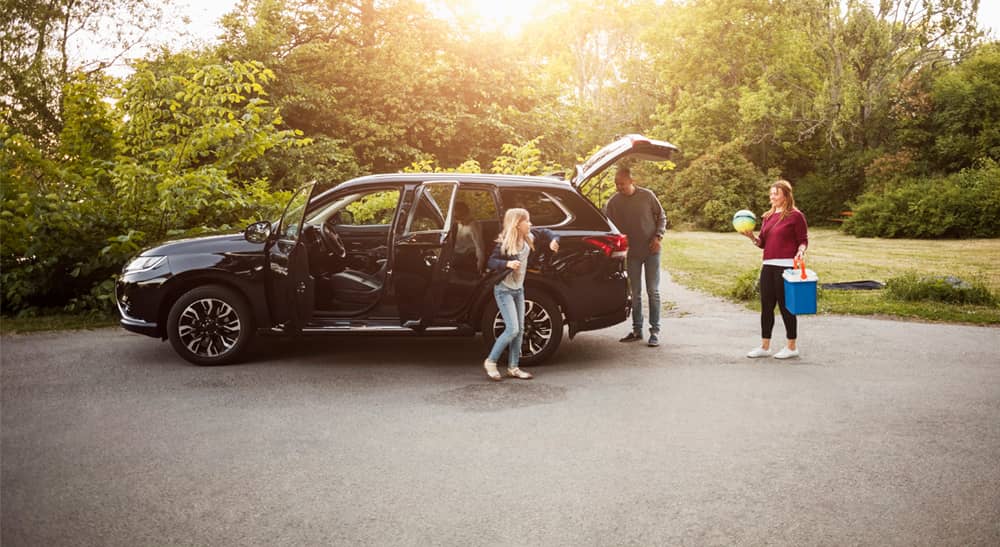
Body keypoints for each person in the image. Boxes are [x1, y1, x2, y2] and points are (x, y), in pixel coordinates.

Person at [482, 208, 560, 381]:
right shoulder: (504, 243)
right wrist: (508, 264)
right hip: (504, 291)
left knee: (521, 330)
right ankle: (491, 361)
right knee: (512, 329)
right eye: (527, 221)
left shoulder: (529, 237)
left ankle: (513, 367)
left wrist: (554, 240)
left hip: (519, 290)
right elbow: (491, 262)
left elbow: (547, 232)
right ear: (517, 224)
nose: (531, 224)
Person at [740, 179, 809, 359]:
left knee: (787, 308)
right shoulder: (768, 217)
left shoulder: (796, 215)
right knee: (766, 307)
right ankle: (765, 346)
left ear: (785, 196)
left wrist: (801, 252)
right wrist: (752, 237)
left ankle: (792, 347)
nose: (772, 197)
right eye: (771, 194)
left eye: (776, 194)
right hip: (768, 266)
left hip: (786, 267)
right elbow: (762, 242)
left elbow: (803, 240)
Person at [604, 166, 667, 347]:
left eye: (622, 184)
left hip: (651, 251)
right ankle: (637, 330)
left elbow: (662, 217)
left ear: (632, 181)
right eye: (617, 184)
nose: (619, 187)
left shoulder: (647, 196)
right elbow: (609, 226)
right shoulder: (614, 202)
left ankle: (654, 331)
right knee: (635, 294)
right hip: (631, 254)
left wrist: (658, 237)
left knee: (653, 292)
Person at [453, 201, 485, 273]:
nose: (454, 214)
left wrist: (480, 263)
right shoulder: (458, 224)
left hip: (468, 257)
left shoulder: (473, 225)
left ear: (463, 211)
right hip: (457, 255)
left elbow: (479, 246)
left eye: (456, 211)